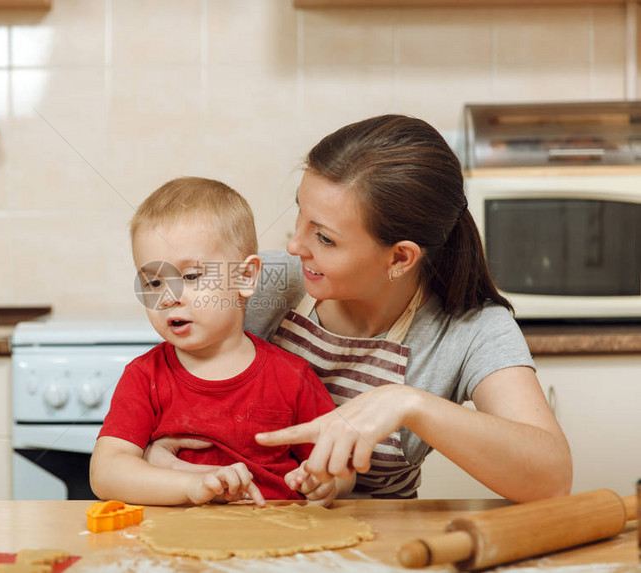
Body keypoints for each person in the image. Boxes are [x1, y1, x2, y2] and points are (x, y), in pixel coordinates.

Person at [144, 116, 572, 502]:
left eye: (324, 239)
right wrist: (157, 457)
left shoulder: (470, 329)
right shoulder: (262, 285)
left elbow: (551, 478)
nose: (294, 246)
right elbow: (157, 398)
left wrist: (410, 405)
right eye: (301, 214)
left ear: (400, 258)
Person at [89, 177, 355, 507]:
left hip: (274, 544)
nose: (169, 297)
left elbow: (340, 467)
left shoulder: (292, 375)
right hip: (179, 547)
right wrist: (190, 485)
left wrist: (326, 483)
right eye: (154, 281)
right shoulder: (144, 376)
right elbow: (106, 472)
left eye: (190, 277)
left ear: (245, 277)